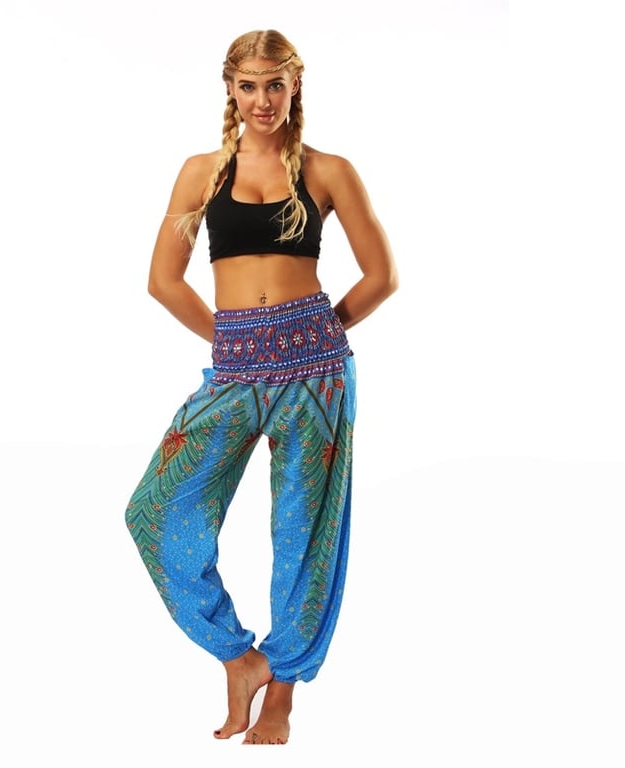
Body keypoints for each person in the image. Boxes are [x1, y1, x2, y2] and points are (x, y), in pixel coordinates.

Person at [124, 29, 398, 745]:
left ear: (294, 85)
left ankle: (283, 690)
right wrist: (231, 340)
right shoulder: (201, 173)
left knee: (303, 533)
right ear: (230, 88)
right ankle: (239, 658)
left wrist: (320, 329)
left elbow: (382, 276)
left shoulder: (331, 171)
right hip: (237, 367)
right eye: (248, 85)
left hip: (317, 370)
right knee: (153, 510)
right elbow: (163, 281)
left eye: (275, 84)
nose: (262, 100)